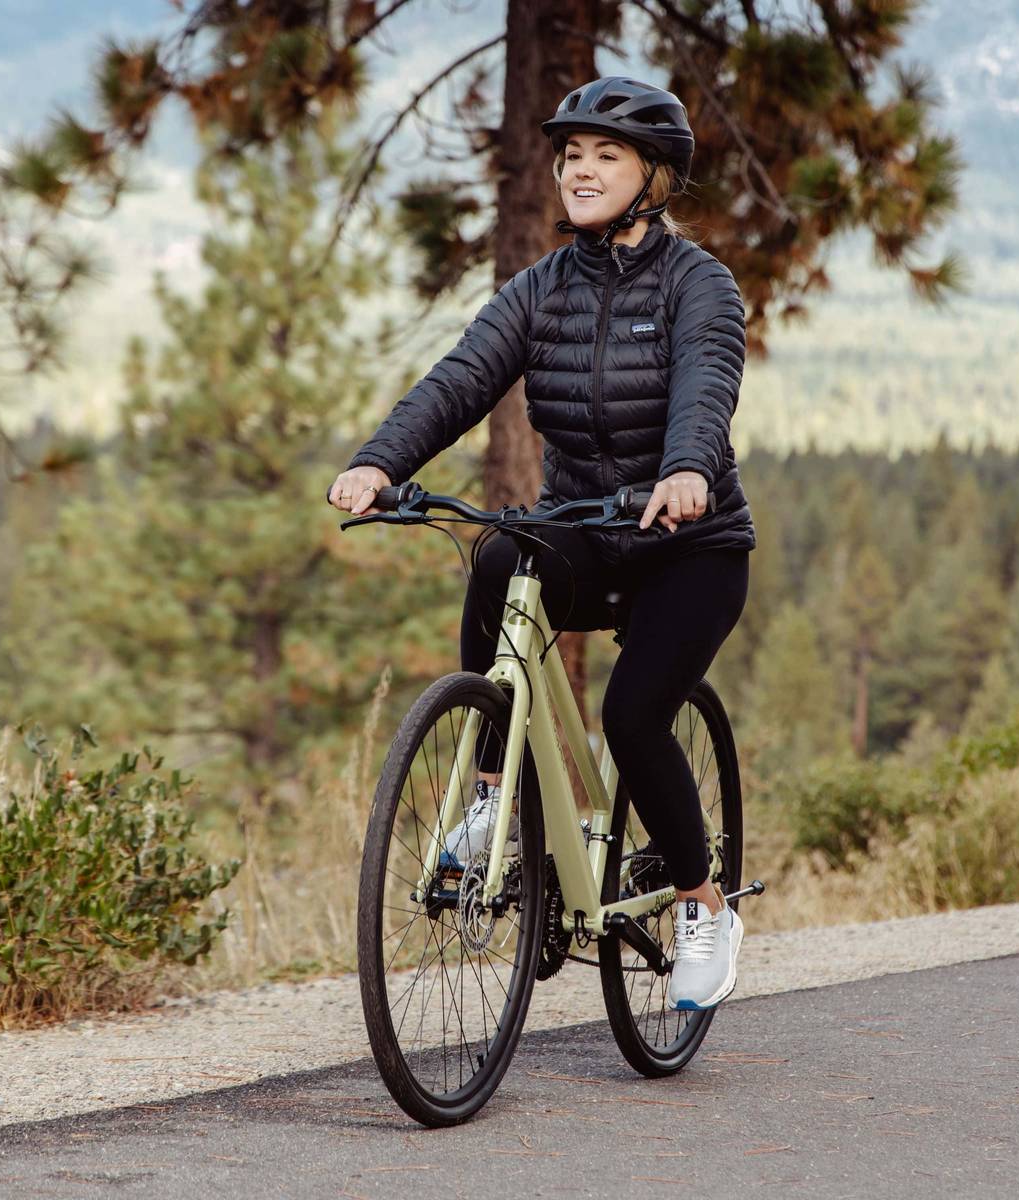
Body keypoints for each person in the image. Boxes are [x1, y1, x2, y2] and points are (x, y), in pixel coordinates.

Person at [328, 77, 755, 1011]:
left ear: (653, 176)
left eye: (606, 155)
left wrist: (688, 469)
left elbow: (706, 384)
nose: (580, 171)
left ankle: (702, 905)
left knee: (634, 716)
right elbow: (460, 380)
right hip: (589, 529)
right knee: (496, 555)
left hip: (691, 545)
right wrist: (378, 461)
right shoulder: (541, 288)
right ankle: (493, 798)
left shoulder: (698, 284)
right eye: (571, 156)